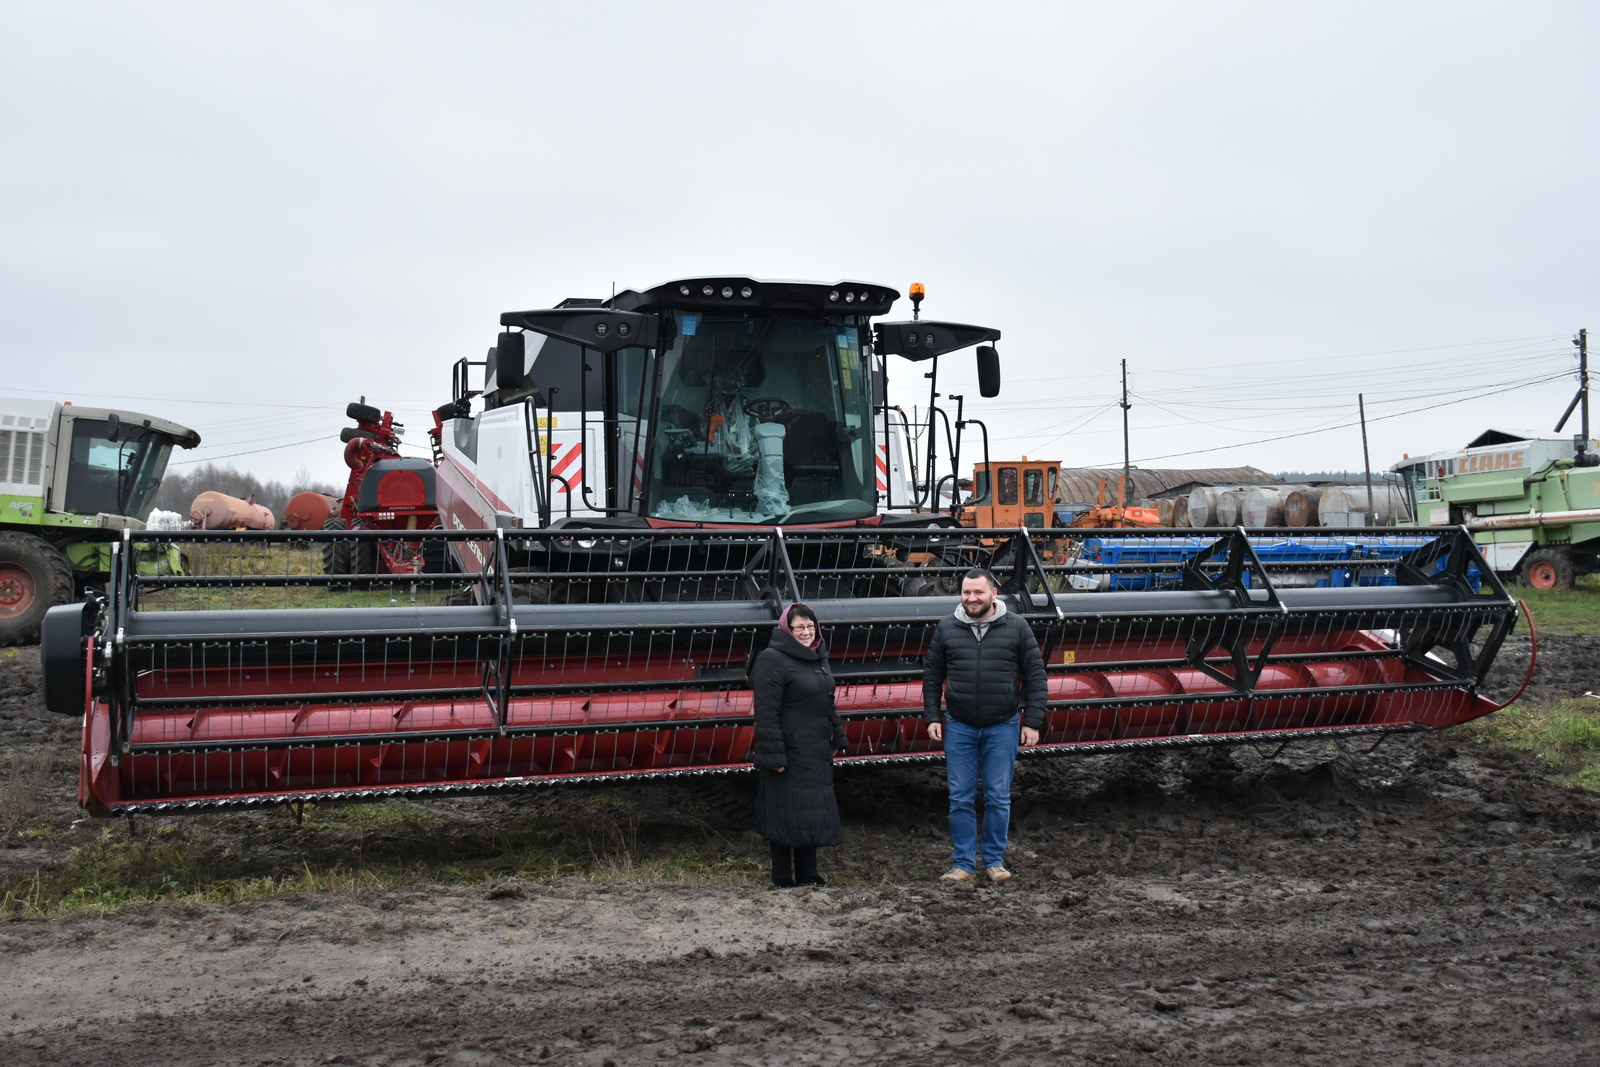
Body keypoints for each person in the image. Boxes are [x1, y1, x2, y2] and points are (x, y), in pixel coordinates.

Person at [922, 568, 1048, 884]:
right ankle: (963, 865)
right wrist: (932, 716)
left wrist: (1032, 721)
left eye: (978, 592)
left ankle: (993, 861)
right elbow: (931, 677)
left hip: (1002, 726)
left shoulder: (1017, 628)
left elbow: (1035, 677)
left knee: (998, 796)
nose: (972, 598)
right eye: (966, 592)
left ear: (993, 593)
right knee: (960, 797)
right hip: (959, 726)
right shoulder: (947, 628)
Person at [751, 602, 848, 888]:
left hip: (815, 749)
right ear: (787, 629)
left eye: (810, 626)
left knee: (810, 811)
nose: (806, 632)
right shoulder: (772, 659)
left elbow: (827, 701)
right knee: (784, 810)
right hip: (788, 749)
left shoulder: (818, 656)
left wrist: (837, 736)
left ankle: (809, 873)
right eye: (799, 627)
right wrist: (773, 755)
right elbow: (766, 711)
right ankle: (782, 877)